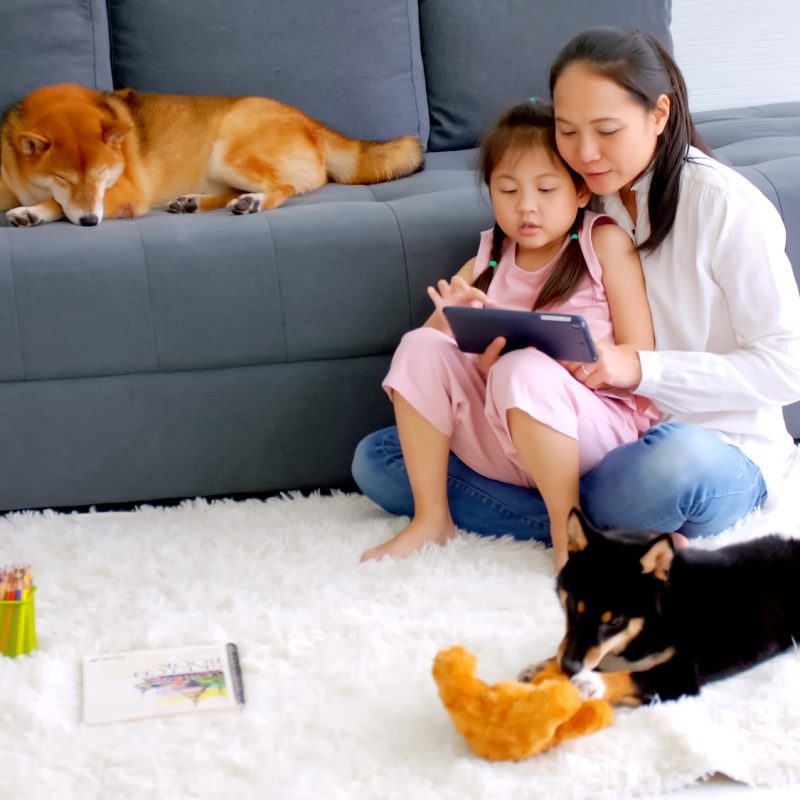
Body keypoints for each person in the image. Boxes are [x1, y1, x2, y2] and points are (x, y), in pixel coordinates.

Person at [353, 26, 800, 554]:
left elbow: (787, 366)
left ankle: (575, 519)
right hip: (587, 432)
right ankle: (595, 523)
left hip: (708, 443)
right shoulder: (586, 201)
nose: (585, 153)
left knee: (662, 470)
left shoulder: (727, 206)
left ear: (659, 115)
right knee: (381, 459)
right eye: (567, 131)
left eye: (607, 130)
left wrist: (639, 368)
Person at [359, 100, 658, 569]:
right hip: (508, 437)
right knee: (419, 346)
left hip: (592, 429)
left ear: (581, 191)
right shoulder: (488, 256)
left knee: (522, 368)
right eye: (507, 190)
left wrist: (584, 363)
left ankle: (568, 535)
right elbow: (424, 373)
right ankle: (432, 519)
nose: (526, 207)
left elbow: (641, 353)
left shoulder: (603, 243)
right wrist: (450, 323)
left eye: (545, 188)